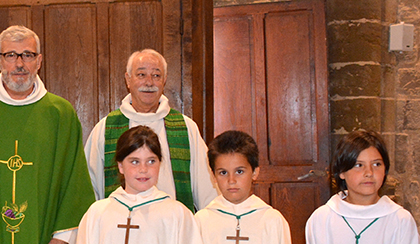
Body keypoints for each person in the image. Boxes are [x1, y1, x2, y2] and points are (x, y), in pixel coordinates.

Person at [0, 25, 95, 244]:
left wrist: (62, 238)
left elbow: (74, 182)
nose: (19, 64)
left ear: (39, 61)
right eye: (10, 55)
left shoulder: (60, 114)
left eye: (27, 55)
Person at [85, 49, 218, 212]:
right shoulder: (105, 129)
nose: (149, 82)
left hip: (171, 227)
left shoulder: (185, 127)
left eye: (156, 75)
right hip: (121, 229)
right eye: (141, 75)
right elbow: (90, 189)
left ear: (164, 81)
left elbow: (207, 189)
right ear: (128, 80)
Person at [76, 126, 202, 244]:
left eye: (151, 161)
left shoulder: (177, 214)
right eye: (135, 162)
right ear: (120, 166)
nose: (143, 169)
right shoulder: (98, 213)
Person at [305, 130, 419, 244]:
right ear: (341, 172)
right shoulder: (322, 219)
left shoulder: (400, 220)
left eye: (376, 164)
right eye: (359, 165)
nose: (369, 173)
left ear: (385, 169)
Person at [195, 130, 291, 244]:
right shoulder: (202, 220)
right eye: (223, 173)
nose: (231, 180)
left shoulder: (272, 220)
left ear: (255, 172)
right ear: (213, 176)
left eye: (239, 171)